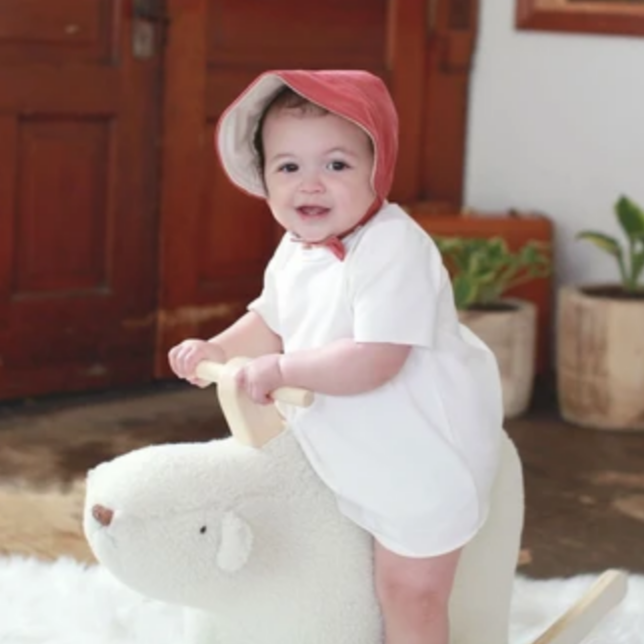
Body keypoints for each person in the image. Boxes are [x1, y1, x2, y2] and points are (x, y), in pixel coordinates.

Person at [169, 69, 504, 644]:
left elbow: (376, 359)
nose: (311, 185)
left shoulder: (393, 246)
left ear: (379, 169)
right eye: (289, 167)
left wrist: (282, 371)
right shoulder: (296, 247)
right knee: (339, 569)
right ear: (265, 178)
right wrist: (220, 348)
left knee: (410, 591)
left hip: (418, 455)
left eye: (337, 165)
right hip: (352, 443)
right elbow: (271, 319)